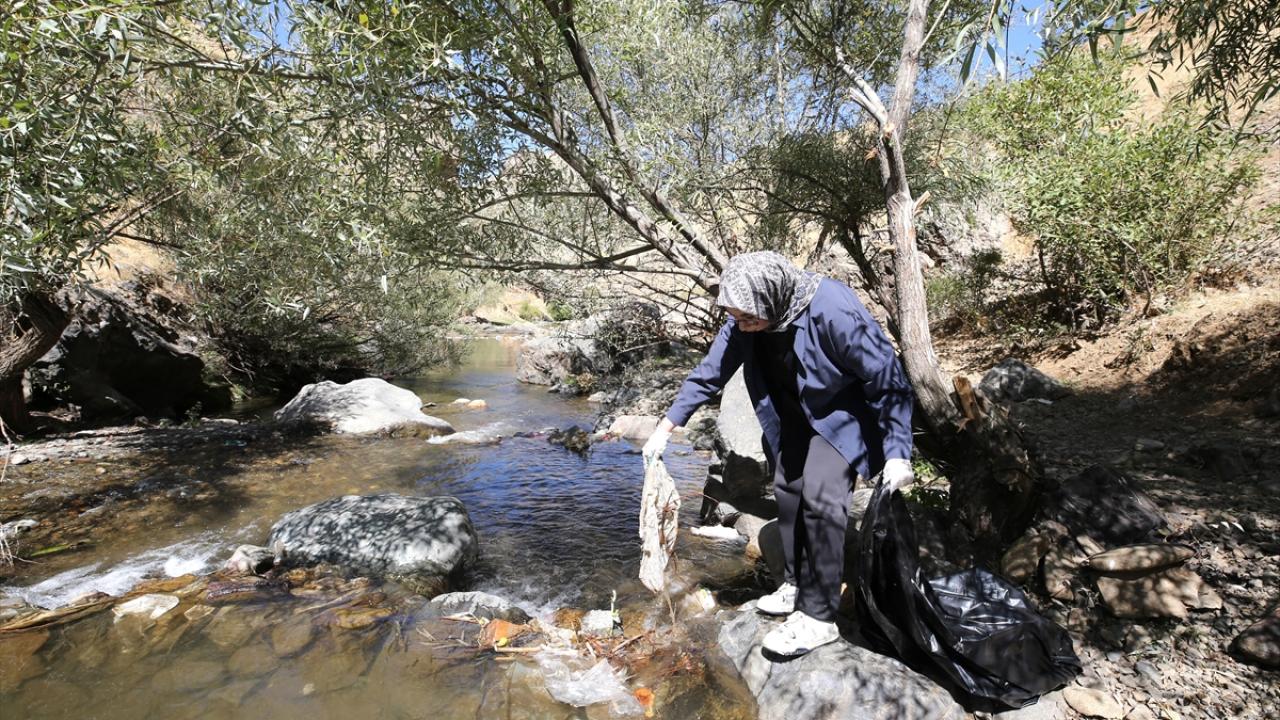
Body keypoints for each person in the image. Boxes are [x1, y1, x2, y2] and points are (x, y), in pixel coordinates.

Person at [643, 251, 915, 657]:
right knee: (788, 491)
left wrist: (897, 451)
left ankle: (819, 618)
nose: (742, 325)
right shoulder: (748, 314)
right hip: (793, 419)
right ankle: (796, 583)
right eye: (736, 317)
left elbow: (885, 377)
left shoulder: (833, 309)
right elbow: (710, 371)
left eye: (748, 318)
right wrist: (665, 428)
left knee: (822, 499)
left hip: (843, 418)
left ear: (772, 298)